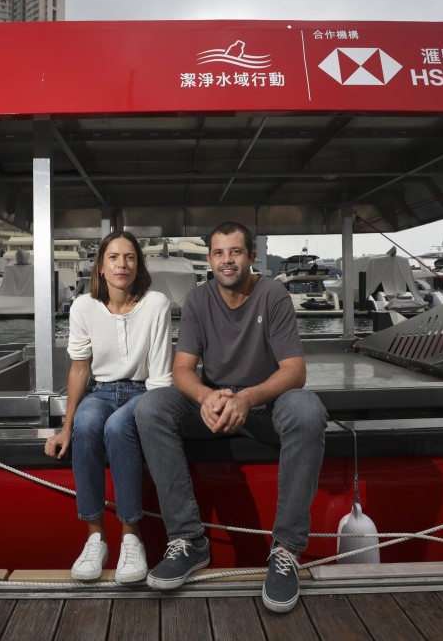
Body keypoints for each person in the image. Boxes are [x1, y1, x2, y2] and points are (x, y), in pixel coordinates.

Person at [134, 221, 327, 613]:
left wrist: (248, 398)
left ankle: (286, 550)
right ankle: (189, 540)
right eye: (219, 253)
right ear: (209, 259)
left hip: (264, 406)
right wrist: (206, 398)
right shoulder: (197, 299)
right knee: (150, 408)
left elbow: (294, 371)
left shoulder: (274, 295)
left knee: (308, 410)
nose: (227, 260)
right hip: (216, 404)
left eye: (235, 252)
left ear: (251, 257)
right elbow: (183, 369)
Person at [44, 231, 172, 584]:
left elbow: (162, 378)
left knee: (118, 427)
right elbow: (80, 368)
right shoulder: (83, 307)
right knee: (86, 424)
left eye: (129, 257)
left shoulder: (156, 304)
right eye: (113, 257)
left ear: (138, 265)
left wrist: (154, 411)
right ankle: (95, 537)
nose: (122, 264)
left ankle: (132, 538)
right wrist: (65, 427)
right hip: (101, 392)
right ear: (100, 267)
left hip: (145, 392)